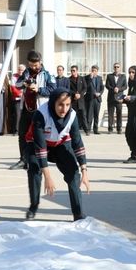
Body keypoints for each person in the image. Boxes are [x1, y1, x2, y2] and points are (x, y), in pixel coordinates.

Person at [24, 87, 90, 221]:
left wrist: (84, 170)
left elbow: (77, 142)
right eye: (60, 104)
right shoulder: (41, 114)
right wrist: (47, 176)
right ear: (52, 103)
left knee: (73, 173)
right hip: (37, 144)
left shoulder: (72, 115)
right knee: (35, 169)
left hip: (60, 144)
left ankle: (78, 213)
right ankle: (34, 205)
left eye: (67, 105)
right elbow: (40, 147)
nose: (64, 109)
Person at [13, 50, 56, 169]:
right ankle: (23, 160)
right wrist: (25, 84)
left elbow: (53, 89)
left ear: (40, 62)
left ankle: (40, 160)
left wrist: (39, 89)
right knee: (22, 134)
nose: (33, 67)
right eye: (31, 65)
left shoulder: (47, 74)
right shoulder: (26, 72)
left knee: (39, 136)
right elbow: (16, 84)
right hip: (27, 108)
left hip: (40, 109)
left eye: (35, 65)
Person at [120, 66, 136, 163]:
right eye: (129, 72)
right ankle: (133, 154)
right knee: (129, 133)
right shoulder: (131, 83)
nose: (131, 74)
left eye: (133, 72)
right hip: (131, 113)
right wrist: (123, 99)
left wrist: (131, 98)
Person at [105, 62, 127, 134]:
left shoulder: (123, 76)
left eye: (117, 67)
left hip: (120, 97)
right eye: (115, 67)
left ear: (120, 68)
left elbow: (125, 86)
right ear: (113, 68)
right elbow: (107, 85)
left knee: (119, 113)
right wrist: (113, 89)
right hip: (111, 97)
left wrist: (119, 89)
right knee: (110, 114)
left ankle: (119, 128)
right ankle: (110, 128)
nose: (116, 68)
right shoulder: (109, 76)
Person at [68, 65, 88, 134]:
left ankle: (86, 130)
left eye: (74, 70)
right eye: (71, 71)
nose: (72, 72)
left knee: (83, 116)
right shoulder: (69, 79)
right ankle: (73, 130)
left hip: (81, 100)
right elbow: (68, 89)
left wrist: (80, 94)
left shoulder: (82, 78)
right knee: (73, 116)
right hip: (73, 101)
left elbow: (85, 88)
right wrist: (74, 94)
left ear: (77, 71)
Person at [85, 65, 104, 135]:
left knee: (96, 115)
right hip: (90, 99)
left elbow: (102, 87)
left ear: (97, 71)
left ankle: (95, 130)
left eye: (95, 71)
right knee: (89, 115)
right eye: (92, 71)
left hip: (98, 99)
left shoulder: (99, 78)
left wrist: (100, 93)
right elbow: (86, 86)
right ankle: (88, 130)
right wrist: (90, 78)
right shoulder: (87, 77)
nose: (94, 72)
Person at [9, 64, 26, 135]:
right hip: (17, 98)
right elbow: (13, 87)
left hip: (25, 98)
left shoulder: (26, 76)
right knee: (17, 114)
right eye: (19, 69)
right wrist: (19, 93)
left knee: (24, 114)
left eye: (22, 70)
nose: (20, 71)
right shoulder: (14, 76)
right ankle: (16, 130)